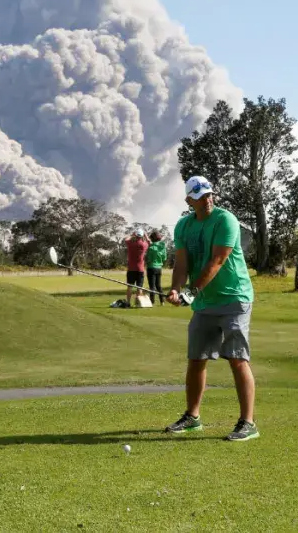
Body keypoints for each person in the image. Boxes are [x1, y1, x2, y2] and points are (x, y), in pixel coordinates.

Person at [164, 176, 259, 442]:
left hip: (234, 298)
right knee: (196, 359)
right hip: (206, 303)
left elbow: (218, 260)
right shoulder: (183, 226)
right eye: (199, 195)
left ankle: (248, 422)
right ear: (189, 200)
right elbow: (181, 264)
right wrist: (176, 289)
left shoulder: (225, 219)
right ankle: (192, 418)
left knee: (237, 358)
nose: (206, 199)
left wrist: (191, 293)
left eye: (208, 194)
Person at [122, 229, 150, 307]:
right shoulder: (144, 244)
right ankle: (138, 303)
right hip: (140, 269)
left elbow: (126, 239)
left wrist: (132, 234)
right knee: (139, 287)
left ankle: (128, 303)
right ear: (142, 236)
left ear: (136, 235)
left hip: (131, 269)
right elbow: (149, 241)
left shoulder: (131, 243)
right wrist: (146, 235)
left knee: (129, 287)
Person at [145, 230, 168, 305]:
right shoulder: (162, 246)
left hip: (151, 267)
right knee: (158, 285)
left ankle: (152, 302)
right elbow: (164, 258)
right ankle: (162, 302)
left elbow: (148, 259)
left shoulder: (151, 247)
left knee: (152, 286)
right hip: (159, 268)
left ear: (152, 239)